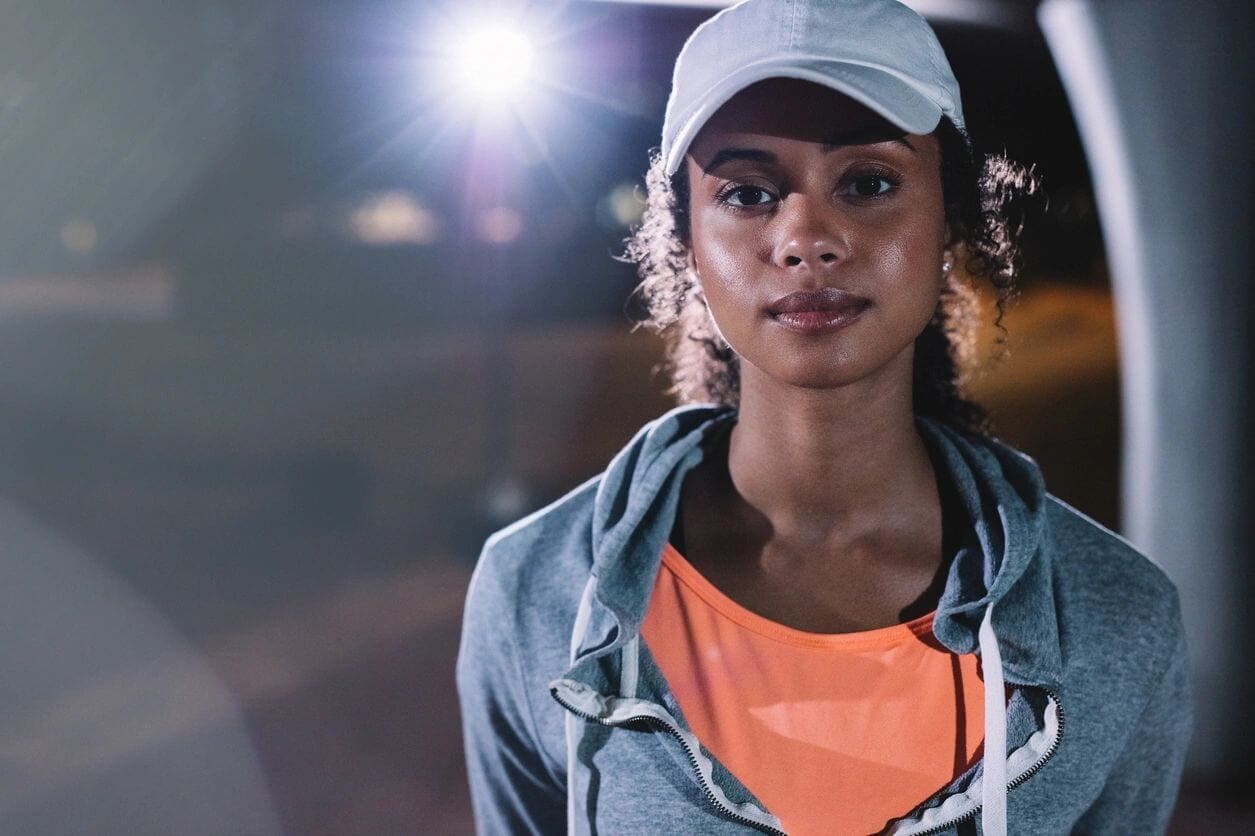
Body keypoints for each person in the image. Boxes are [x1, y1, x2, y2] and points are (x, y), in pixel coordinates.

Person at [455, 0, 1192, 833]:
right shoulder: (535, 590)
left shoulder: (1112, 615)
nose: (807, 236)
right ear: (687, 240)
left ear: (947, 217)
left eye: (868, 182)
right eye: (747, 192)